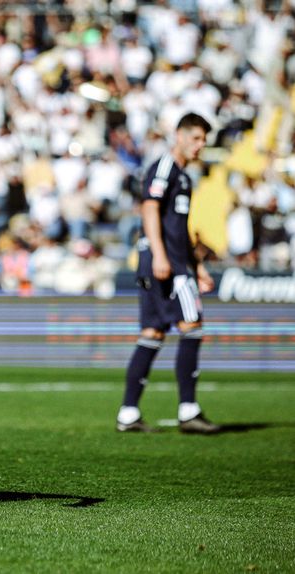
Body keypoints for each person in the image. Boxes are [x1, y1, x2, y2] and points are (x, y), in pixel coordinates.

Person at [117, 112, 221, 435]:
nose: (200, 146)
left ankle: (128, 413)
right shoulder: (165, 168)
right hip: (167, 265)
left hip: (173, 262)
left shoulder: (185, 177)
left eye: (204, 140)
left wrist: (198, 265)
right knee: (191, 326)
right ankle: (188, 411)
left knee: (153, 333)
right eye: (196, 138)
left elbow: (179, 228)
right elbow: (149, 208)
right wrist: (161, 255)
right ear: (180, 135)